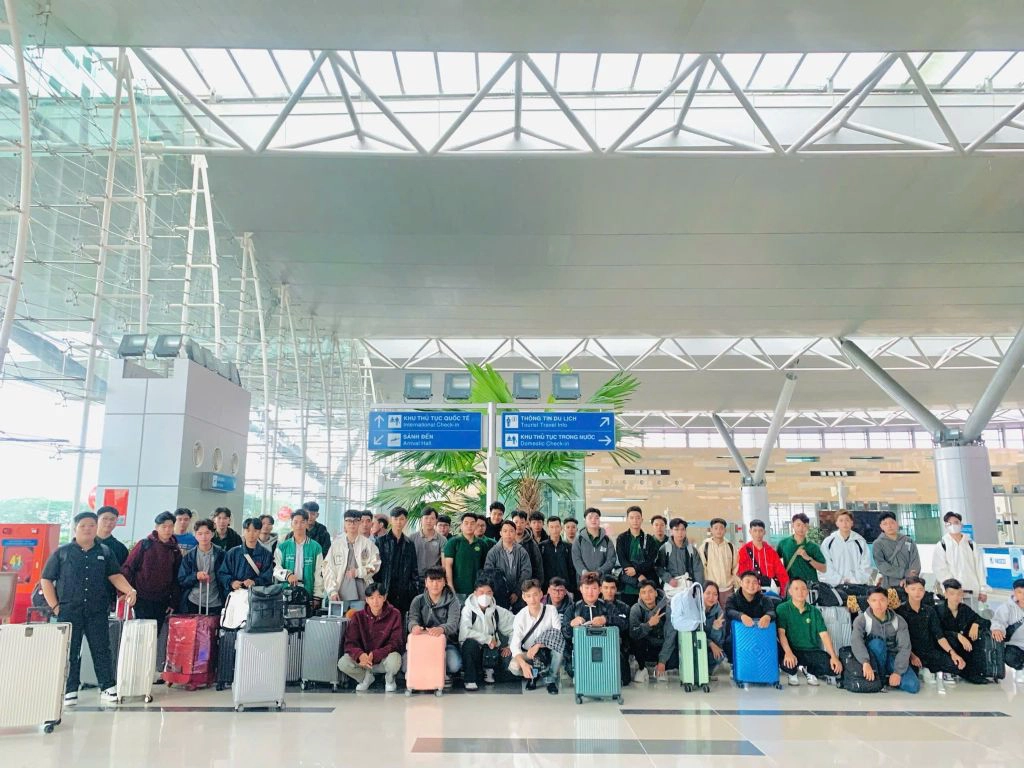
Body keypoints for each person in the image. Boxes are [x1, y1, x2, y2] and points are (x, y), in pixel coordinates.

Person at [39, 511, 138, 706]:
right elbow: (46, 579)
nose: (88, 529)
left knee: (101, 648)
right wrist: (55, 606)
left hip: (97, 610)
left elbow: (115, 575)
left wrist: (130, 590)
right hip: (69, 610)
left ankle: (107, 686)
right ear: (75, 528)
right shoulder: (62, 552)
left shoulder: (105, 552)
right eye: (83, 525)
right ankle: (70, 689)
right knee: (70, 651)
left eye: (91, 525)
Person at [896, 576, 966, 693]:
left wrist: (953, 653)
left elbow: (939, 635)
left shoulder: (929, 611)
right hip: (909, 652)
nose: (917, 593)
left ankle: (928, 669)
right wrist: (912, 656)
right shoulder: (900, 611)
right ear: (906, 589)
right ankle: (924, 670)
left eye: (920, 589)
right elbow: (899, 640)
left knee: (956, 666)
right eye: (913, 589)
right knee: (911, 673)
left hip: (929, 651)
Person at [121, 511, 182, 635]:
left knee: (153, 636)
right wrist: (124, 592)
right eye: (164, 526)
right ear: (156, 527)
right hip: (141, 598)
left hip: (162, 600)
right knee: (139, 634)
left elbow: (177, 577)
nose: (167, 530)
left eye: (170, 526)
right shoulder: (144, 544)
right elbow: (128, 568)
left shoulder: (175, 550)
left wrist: (173, 601)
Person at [850, 586, 920, 694]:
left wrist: (898, 672)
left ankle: (888, 677)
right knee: (877, 644)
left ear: (887, 601)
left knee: (913, 686)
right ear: (868, 602)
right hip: (872, 658)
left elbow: (904, 647)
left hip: (892, 657)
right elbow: (856, 642)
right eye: (874, 600)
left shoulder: (899, 621)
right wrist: (865, 662)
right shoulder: (861, 620)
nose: (878, 604)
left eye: (882, 600)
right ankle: (881, 679)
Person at [776, 577, 843, 686]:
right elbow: (781, 634)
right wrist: (788, 653)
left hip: (811, 650)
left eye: (803, 589)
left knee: (833, 669)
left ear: (807, 591)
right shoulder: (782, 608)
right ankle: (792, 673)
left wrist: (834, 657)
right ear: (790, 591)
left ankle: (810, 671)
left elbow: (824, 635)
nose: (800, 592)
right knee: (787, 662)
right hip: (792, 650)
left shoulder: (814, 611)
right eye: (796, 589)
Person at [338, 583, 404, 692]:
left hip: (383, 660)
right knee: (343, 663)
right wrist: (360, 655)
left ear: (385, 597)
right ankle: (366, 678)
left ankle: (389, 680)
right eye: (372, 598)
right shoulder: (358, 616)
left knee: (395, 659)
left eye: (379, 597)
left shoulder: (394, 614)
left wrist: (377, 654)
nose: (375, 601)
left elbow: (396, 642)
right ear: (366, 599)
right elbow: (350, 643)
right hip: (364, 662)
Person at [568, 572, 631, 686]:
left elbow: (624, 623)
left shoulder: (608, 606)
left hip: (607, 652)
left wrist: (606, 619)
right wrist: (571, 624)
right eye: (586, 588)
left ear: (599, 590)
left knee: (623, 678)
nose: (590, 592)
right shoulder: (573, 608)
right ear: (581, 589)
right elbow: (564, 633)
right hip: (582, 653)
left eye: (594, 588)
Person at [459, 574, 515, 690]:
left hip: (491, 651)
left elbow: (515, 626)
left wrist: (510, 646)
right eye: (481, 592)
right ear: (475, 593)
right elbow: (464, 633)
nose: (485, 596)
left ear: (492, 593)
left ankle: (489, 671)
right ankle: (470, 679)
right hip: (473, 651)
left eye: (488, 592)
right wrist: (488, 639)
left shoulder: (497, 611)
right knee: (470, 644)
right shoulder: (467, 610)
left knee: (509, 662)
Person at [407, 567, 463, 683]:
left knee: (454, 665)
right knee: (404, 665)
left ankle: (443, 674)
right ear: (426, 583)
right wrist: (414, 627)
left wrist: (441, 629)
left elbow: (453, 624)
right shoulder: (417, 600)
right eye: (431, 581)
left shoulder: (453, 601)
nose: (435, 584)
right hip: (422, 644)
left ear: (444, 582)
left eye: (438, 580)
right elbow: (412, 619)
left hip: (446, 644)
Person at [509, 579, 564, 694]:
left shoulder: (551, 610)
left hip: (547, 650)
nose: (532, 599)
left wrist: (538, 645)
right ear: (523, 597)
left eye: (535, 594)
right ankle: (533, 675)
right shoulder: (520, 617)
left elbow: (557, 633)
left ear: (541, 594)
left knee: (559, 650)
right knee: (514, 666)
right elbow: (514, 646)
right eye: (528, 596)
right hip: (529, 653)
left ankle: (550, 679)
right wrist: (523, 664)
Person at [935, 578, 991, 684]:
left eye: (959, 594)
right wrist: (957, 635)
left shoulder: (964, 609)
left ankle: (968, 671)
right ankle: (950, 670)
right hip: (945, 647)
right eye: (952, 594)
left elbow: (985, 621)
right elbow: (937, 633)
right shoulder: (937, 610)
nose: (956, 597)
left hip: (963, 649)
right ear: (945, 594)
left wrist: (976, 624)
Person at [323, 509, 380, 605]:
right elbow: (327, 569)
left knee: (360, 614)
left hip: (362, 592)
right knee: (339, 615)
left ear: (360, 522)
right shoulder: (336, 545)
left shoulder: (368, 544)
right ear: (344, 523)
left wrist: (358, 572)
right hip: (339, 593)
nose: (352, 524)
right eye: (348, 521)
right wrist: (332, 591)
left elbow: (376, 565)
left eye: (356, 521)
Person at [932, 511, 988, 604]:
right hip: (952, 593)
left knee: (971, 612)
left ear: (961, 525)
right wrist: (952, 586)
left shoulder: (971, 544)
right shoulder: (942, 545)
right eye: (949, 523)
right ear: (946, 526)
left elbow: (979, 568)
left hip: (971, 590)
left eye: (956, 522)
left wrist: (983, 590)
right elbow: (939, 569)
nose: (953, 525)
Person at [273, 509, 325, 608]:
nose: (299, 525)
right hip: (286, 593)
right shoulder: (283, 547)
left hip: (308, 593)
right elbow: (275, 569)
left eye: (302, 522)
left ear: (307, 524)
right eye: (296, 522)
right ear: (291, 524)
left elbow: (319, 573)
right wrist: (288, 575)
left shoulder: (316, 547)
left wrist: (317, 596)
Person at [628, 582, 677, 682]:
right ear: (640, 595)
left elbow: (670, 636)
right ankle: (642, 668)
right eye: (644, 592)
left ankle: (661, 668)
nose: (647, 595)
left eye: (650, 591)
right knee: (635, 640)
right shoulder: (636, 609)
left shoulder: (668, 608)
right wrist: (649, 624)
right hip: (646, 646)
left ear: (656, 593)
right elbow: (633, 634)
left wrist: (662, 661)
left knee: (676, 644)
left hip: (662, 645)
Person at [375, 507, 418, 615]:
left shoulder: (409, 543)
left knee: (401, 619)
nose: (399, 522)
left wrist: (412, 590)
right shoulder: (380, 542)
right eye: (396, 519)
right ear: (391, 520)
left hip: (403, 591)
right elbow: (376, 570)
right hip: (385, 589)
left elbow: (414, 570)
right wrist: (379, 590)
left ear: (406, 521)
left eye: (402, 519)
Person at [177, 518, 225, 613]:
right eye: (200, 533)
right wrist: (196, 576)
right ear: (195, 535)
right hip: (193, 601)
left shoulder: (221, 554)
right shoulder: (189, 556)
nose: (203, 537)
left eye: (207, 533)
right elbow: (182, 580)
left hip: (216, 602)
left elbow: (226, 576)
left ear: (212, 534)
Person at [616, 505, 661, 605]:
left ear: (642, 519)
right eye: (632, 518)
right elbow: (623, 560)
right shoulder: (621, 538)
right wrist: (638, 575)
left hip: (646, 583)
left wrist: (636, 570)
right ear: (627, 519)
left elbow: (651, 561)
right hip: (628, 585)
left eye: (637, 518)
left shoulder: (649, 539)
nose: (635, 521)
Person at [217, 517, 274, 595]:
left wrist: (254, 582)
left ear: (259, 532)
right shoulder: (232, 553)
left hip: (256, 596)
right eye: (248, 530)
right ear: (243, 531)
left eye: (255, 531)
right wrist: (232, 582)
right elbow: (222, 573)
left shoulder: (266, 554)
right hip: (235, 595)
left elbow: (268, 577)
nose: (251, 534)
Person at [483, 519, 532, 610]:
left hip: (519, 595)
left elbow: (526, 573)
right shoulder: (493, 552)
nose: (508, 534)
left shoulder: (522, 551)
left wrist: (517, 592)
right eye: (505, 531)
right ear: (500, 533)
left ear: (515, 533)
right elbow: (489, 573)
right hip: (498, 595)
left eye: (511, 531)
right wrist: (500, 590)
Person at [443, 513, 493, 602]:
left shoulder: (482, 544)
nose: (469, 526)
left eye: (472, 523)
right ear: (461, 526)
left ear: (476, 526)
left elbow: (485, 567)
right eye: (466, 523)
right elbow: (448, 566)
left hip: (477, 590)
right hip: (458, 590)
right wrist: (450, 586)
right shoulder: (453, 542)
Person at [737, 519, 788, 595]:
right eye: (755, 530)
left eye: (760, 530)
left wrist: (784, 593)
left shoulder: (771, 552)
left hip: (770, 591)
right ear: (750, 531)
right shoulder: (743, 551)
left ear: (764, 532)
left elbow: (781, 573)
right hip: (750, 590)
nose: (758, 533)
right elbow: (740, 572)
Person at [656, 517, 705, 597]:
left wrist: (698, 588)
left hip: (688, 587)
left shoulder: (691, 549)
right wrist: (669, 579)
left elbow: (698, 570)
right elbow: (658, 567)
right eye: (676, 529)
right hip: (672, 587)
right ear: (671, 531)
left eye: (682, 529)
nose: (680, 532)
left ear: (685, 531)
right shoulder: (665, 548)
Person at [821, 510, 871, 586]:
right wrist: (840, 580)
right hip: (835, 585)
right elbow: (825, 565)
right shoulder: (828, 542)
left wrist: (854, 580)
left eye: (847, 520)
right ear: (836, 523)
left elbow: (866, 565)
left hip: (857, 585)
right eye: (841, 520)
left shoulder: (860, 542)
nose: (844, 523)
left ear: (852, 523)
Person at [872, 511, 921, 589]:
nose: (889, 526)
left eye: (892, 523)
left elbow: (915, 561)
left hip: (910, 583)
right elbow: (881, 565)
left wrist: (909, 578)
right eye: (885, 524)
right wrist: (904, 573)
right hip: (889, 585)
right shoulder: (878, 544)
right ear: (881, 526)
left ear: (896, 523)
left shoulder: (908, 540)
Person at [776, 513, 826, 586]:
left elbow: (823, 569)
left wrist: (808, 558)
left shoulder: (813, 547)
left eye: (804, 525)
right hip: (791, 585)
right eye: (798, 525)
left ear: (808, 527)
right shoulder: (783, 543)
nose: (801, 528)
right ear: (793, 525)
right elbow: (774, 562)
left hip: (810, 585)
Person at [700, 518, 739, 607]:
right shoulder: (704, 547)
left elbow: (735, 567)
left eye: (721, 528)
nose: (718, 531)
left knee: (728, 611)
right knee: (711, 612)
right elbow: (703, 568)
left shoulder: (731, 547)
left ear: (725, 530)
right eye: (716, 528)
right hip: (711, 590)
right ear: (711, 530)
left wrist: (736, 583)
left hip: (728, 588)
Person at [991, 578, 1024, 683]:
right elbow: (998, 620)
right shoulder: (1006, 607)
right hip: (1015, 645)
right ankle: (1020, 670)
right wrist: (997, 629)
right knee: (1009, 656)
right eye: (1020, 592)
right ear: (1014, 592)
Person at [572, 507, 617, 584]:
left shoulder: (607, 540)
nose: (593, 520)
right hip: (584, 581)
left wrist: (599, 572)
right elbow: (576, 559)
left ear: (599, 520)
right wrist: (584, 572)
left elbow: (611, 560)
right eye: (590, 518)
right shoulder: (578, 540)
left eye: (596, 518)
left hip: (603, 581)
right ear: (585, 520)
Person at [408, 506, 448, 584]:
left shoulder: (442, 539)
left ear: (436, 521)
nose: (429, 521)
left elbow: (444, 564)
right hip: (415, 578)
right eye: (426, 518)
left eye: (432, 518)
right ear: (421, 520)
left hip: (434, 579)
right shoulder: (412, 538)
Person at [540, 516, 575, 592]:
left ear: (561, 528)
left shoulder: (568, 547)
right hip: (547, 588)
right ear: (548, 529)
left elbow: (572, 569)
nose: (554, 530)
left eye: (557, 527)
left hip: (565, 588)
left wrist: (571, 587)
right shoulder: (541, 546)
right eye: (551, 527)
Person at [518, 511, 545, 587]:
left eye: (539, 522)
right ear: (529, 523)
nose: (537, 525)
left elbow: (538, 565)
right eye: (534, 522)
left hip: (537, 580)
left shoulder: (546, 540)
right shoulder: (527, 541)